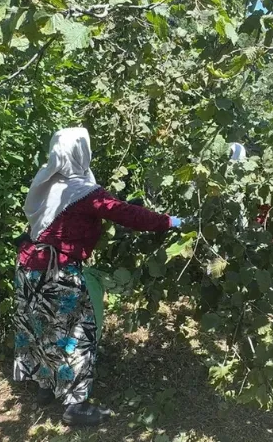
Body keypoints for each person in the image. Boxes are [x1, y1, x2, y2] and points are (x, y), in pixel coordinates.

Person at [13, 127, 181, 427]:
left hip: (29, 271)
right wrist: (168, 221)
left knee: (41, 329)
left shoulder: (46, 182)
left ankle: (45, 388)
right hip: (58, 275)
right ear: (82, 153)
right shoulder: (83, 192)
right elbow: (128, 214)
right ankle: (75, 405)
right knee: (77, 335)